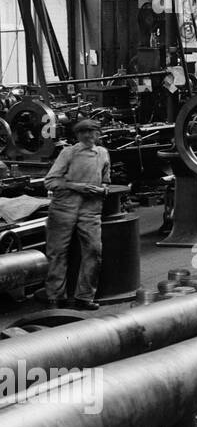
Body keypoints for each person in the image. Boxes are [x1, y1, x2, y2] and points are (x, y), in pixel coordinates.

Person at [44, 118, 111, 310]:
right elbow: (50, 182)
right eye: (84, 132)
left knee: (94, 251)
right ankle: (55, 297)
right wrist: (77, 187)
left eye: (92, 132)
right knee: (57, 252)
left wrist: (102, 190)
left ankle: (84, 297)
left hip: (90, 209)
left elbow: (106, 180)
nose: (88, 136)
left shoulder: (103, 153)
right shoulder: (68, 153)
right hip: (64, 208)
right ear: (78, 135)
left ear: (99, 134)